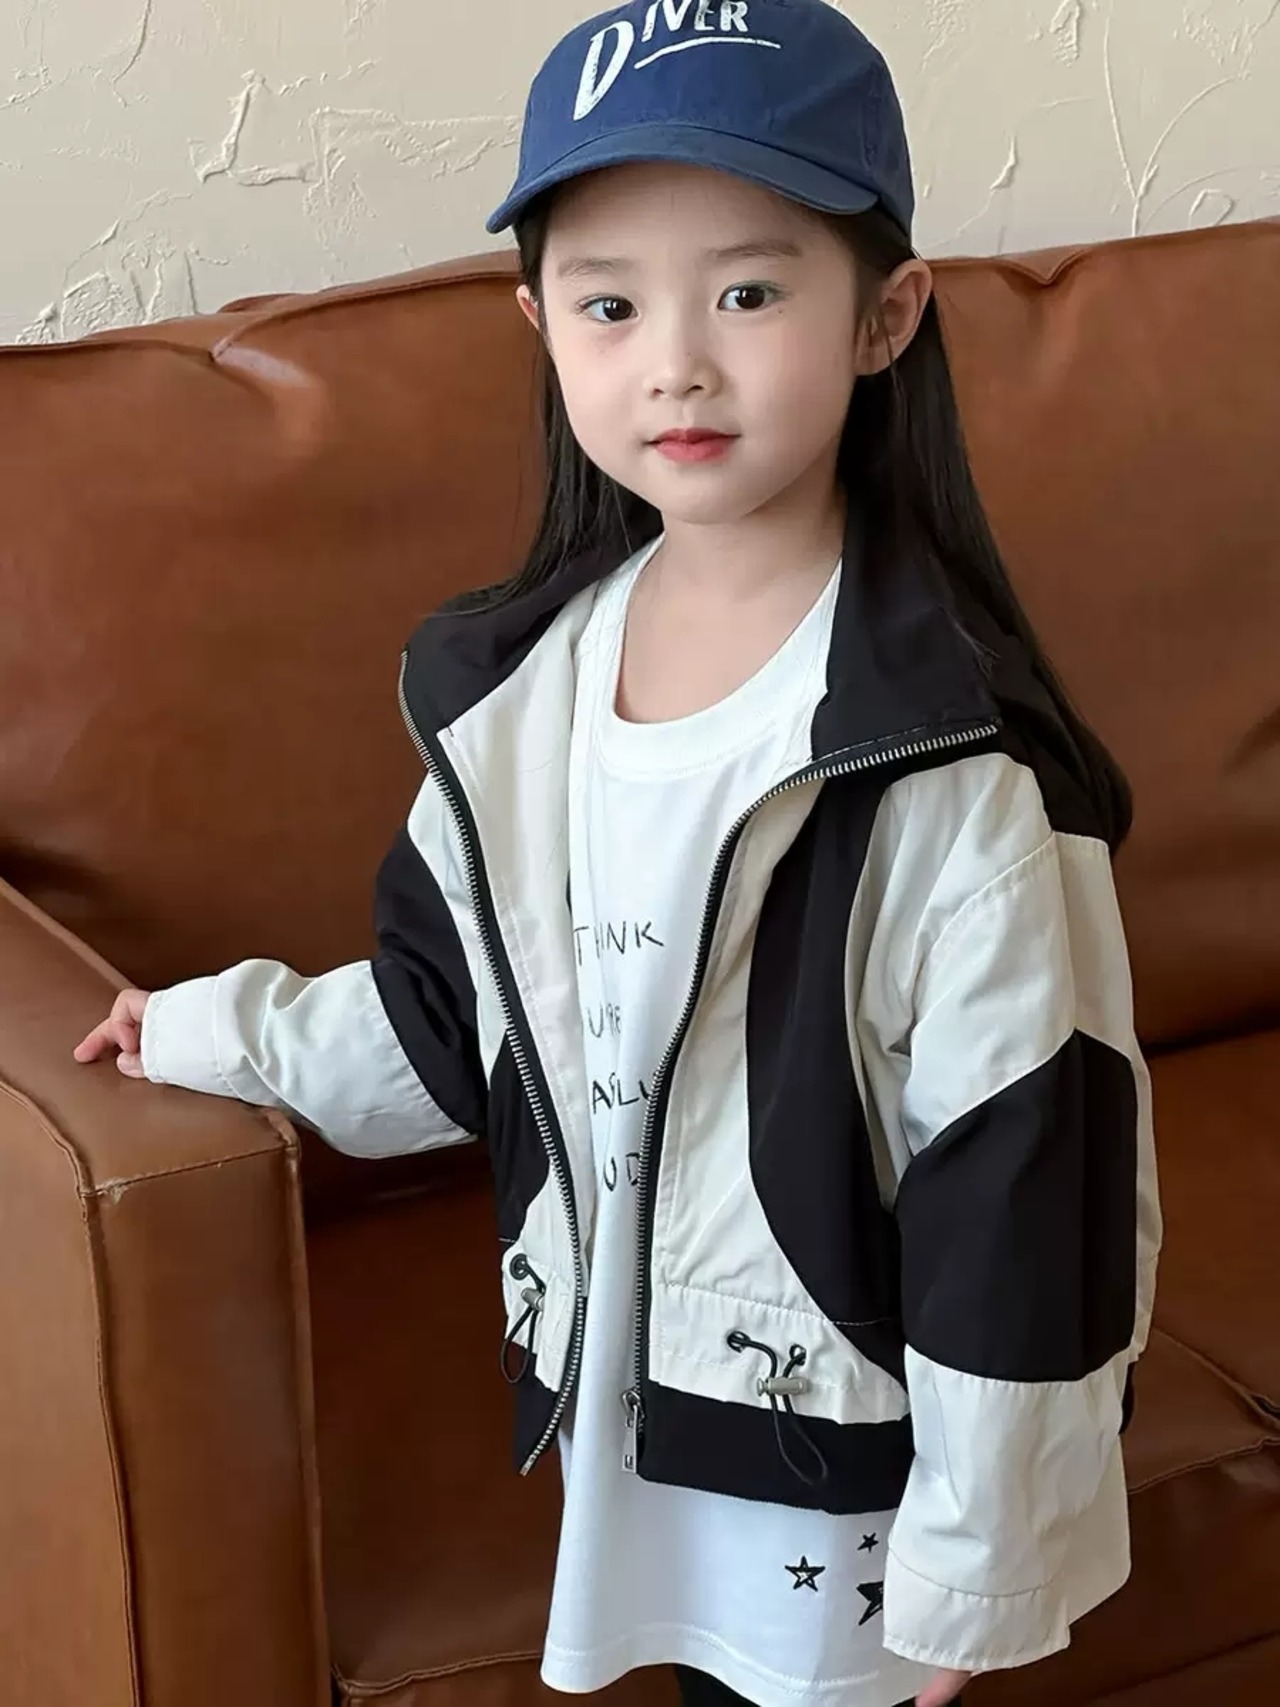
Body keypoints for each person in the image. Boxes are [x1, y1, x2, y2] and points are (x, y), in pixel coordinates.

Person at [75, 3, 1163, 1705]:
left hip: (844, 1456)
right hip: (635, 1424)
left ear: (884, 317)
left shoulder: (951, 766)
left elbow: (1029, 1182)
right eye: (609, 304)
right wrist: (207, 1031)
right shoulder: (520, 702)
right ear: (540, 327)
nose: (677, 364)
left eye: (750, 293)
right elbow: (451, 1022)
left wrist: (980, 1562)